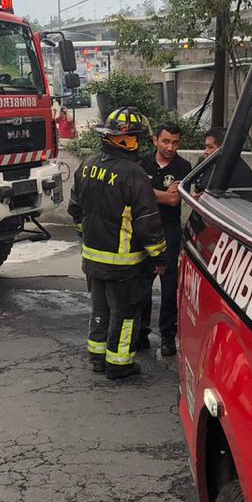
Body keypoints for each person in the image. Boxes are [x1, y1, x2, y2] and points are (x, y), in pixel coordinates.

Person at [68, 107, 167, 379]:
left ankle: (98, 358)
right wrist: (160, 257)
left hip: (92, 260)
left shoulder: (87, 165)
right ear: (129, 140)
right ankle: (119, 364)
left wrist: (87, 237)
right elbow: (148, 223)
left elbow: (75, 211)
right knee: (124, 314)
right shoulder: (134, 175)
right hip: (124, 266)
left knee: (99, 309)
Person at [139, 123, 193, 357]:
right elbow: (135, 193)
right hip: (143, 230)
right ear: (155, 140)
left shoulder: (184, 167)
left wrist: (147, 192)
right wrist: (162, 194)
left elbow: (174, 201)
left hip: (169, 231)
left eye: (175, 142)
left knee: (170, 287)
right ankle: (140, 333)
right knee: (142, 285)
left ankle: (168, 337)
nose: (170, 147)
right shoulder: (141, 163)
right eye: (166, 141)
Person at [193, 126, 252, 197]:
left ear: (224, 148)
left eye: (210, 147)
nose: (205, 151)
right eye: (206, 147)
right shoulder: (210, 166)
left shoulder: (242, 176)